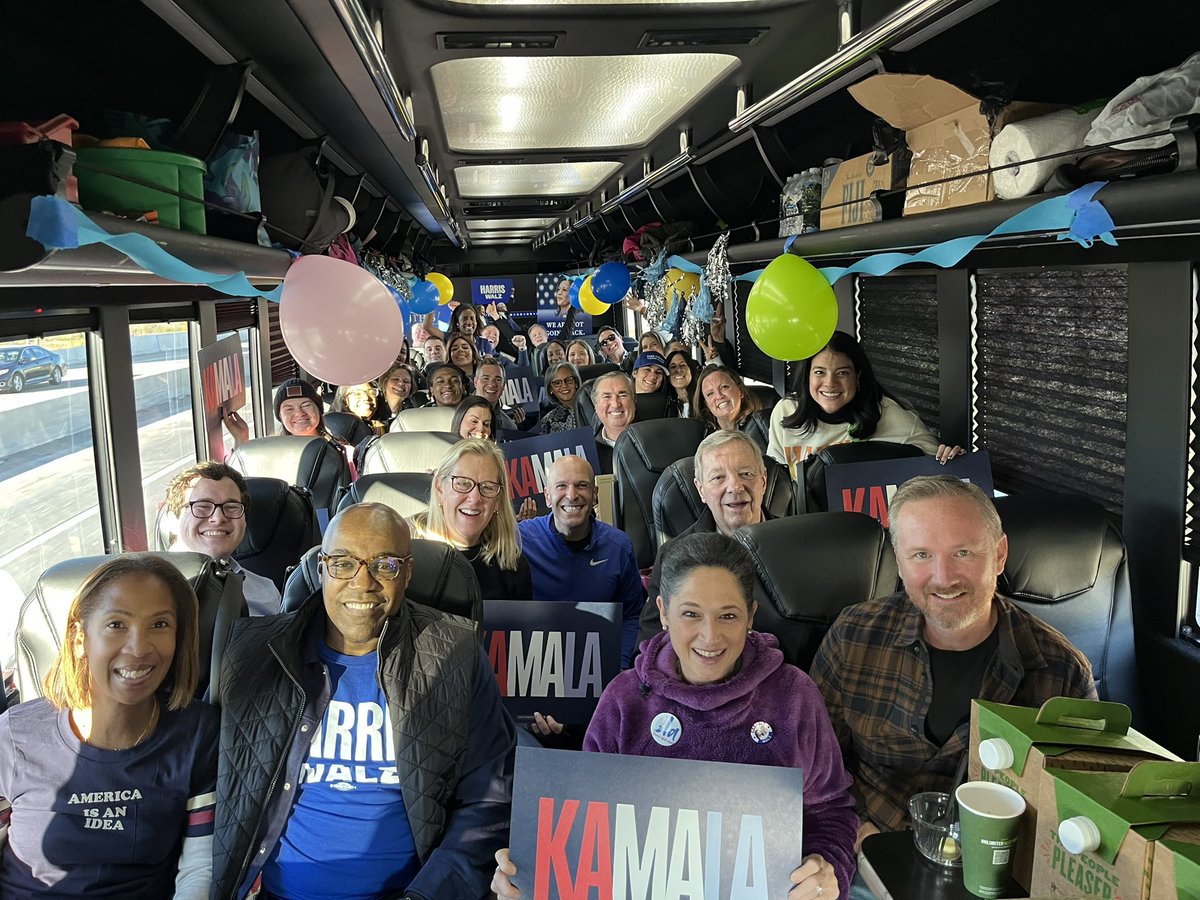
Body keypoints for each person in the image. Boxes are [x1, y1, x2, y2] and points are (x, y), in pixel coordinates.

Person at [491, 532, 858, 900]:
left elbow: (831, 812)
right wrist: (532, 876)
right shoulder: (624, 701)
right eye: (691, 614)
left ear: (751, 615)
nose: (710, 636)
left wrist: (829, 870)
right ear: (664, 612)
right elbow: (586, 837)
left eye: (728, 615)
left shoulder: (794, 695)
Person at [211, 503, 515, 900]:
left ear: (407, 572)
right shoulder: (252, 653)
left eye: (384, 565)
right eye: (343, 563)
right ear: (321, 569)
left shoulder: (455, 654)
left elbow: (489, 801)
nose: (363, 582)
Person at [810, 476, 1096, 876]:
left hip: (993, 872)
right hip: (865, 854)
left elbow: (1074, 817)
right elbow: (816, 764)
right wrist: (853, 832)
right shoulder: (853, 636)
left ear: (999, 555)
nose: (943, 577)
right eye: (921, 555)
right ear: (899, 561)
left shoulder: (1060, 672)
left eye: (963, 552)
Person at [0, 555, 217, 898]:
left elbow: (199, 869)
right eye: (117, 624)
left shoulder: (199, 734)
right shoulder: (14, 736)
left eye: (159, 625)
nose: (139, 648)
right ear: (78, 639)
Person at [636, 429, 770, 647]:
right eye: (718, 478)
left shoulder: (796, 548)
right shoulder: (673, 555)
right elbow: (650, 643)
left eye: (746, 473)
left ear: (763, 481)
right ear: (701, 490)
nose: (735, 487)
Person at [767, 331, 961, 480]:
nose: (830, 383)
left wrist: (955, 459)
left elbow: (942, 472)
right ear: (806, 376)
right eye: (819, 372)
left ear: (857, 377)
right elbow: (774, 480)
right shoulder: (785, 412)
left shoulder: (889, 415)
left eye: (842, 373)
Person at [519, 455, 644, 668]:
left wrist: (620, 668)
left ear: (595, 495)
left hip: (599, 667)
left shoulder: (619, 547)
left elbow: (631, 616)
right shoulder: (520, 542)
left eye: (581, 486)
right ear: (548, 497)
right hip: (535, 668)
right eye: (561, 486)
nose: (572, 495)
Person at [411, 438, 533, 603]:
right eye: (462, 483)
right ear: (440, 488)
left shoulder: (513, 567)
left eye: (488, 487)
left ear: (498, 500)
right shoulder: (407, 557)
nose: (475, 498)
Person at [165, 461, 281, 616]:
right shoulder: (140, 588)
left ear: (244, 521)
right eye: (202, 506)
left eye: (231, 507)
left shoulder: (266, 593)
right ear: (172, 521)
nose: (218, 518)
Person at [694, 362, 771, 451]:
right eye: (710, 393)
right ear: (706, 404)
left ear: (741, 391)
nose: (719, 396)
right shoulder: (702, 439)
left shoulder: (763, 425)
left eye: (724, 387)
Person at [591, 370, 636, 475]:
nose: (616, 404)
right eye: (607, 396)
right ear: (595, 407)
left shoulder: (653, 441)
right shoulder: (588, 451)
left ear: (634, 401)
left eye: (622, 395)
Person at [474, 358, 525, 432]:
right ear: (475, 382)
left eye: (498, 379)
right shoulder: (458, 410)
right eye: (486, 378)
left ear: (503, 386)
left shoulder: (509, 426)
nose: (492, 384)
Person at [534, 361, 581, 434]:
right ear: (550, 389)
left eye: (569, 380)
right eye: (557, 383)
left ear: (576, 383)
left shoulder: (596, 406)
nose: (564, 386)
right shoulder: (548, 421)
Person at [665, 348, 699, 417]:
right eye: (673, 367)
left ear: (691, 370)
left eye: (683, 365)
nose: (679, 370)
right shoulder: (666, 406)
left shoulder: (703, 398)